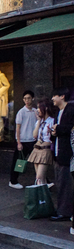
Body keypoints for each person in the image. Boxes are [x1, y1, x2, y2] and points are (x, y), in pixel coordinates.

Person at [49, 88, 74, 222]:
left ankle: (64, 211)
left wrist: (57, 129)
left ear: (62, 96)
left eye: (55, 95)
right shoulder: (58, 112)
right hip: (58, 152)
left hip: (67, 154)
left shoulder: (70, 110)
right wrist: (53, 133)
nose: (52, 98)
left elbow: (70, 128)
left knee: (65, 183)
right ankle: (62, 209)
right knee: (60, 183)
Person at [9, 91, 38, 189]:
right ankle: (13, 180)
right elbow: (18, 128)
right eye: (25, 98)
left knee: (38, 161)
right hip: (23, 141)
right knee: (19, 162)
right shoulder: (21, 112)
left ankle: (43, 180)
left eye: (29, 98)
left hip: (33, 140)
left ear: (33, 98)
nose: (27, 100)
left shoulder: (36, 111)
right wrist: (19, 142)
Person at [27, 99, 55, 186]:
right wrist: (39, 121)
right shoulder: (39, 122)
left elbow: (52, 136)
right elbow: (35, 136)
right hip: (37, 148)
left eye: (39, 108)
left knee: (39, 176)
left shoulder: (52, 121)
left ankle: (43, 197)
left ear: (45, 108)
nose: (38, 110)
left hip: (45, 149)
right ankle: (43, 196)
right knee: (39, 179)